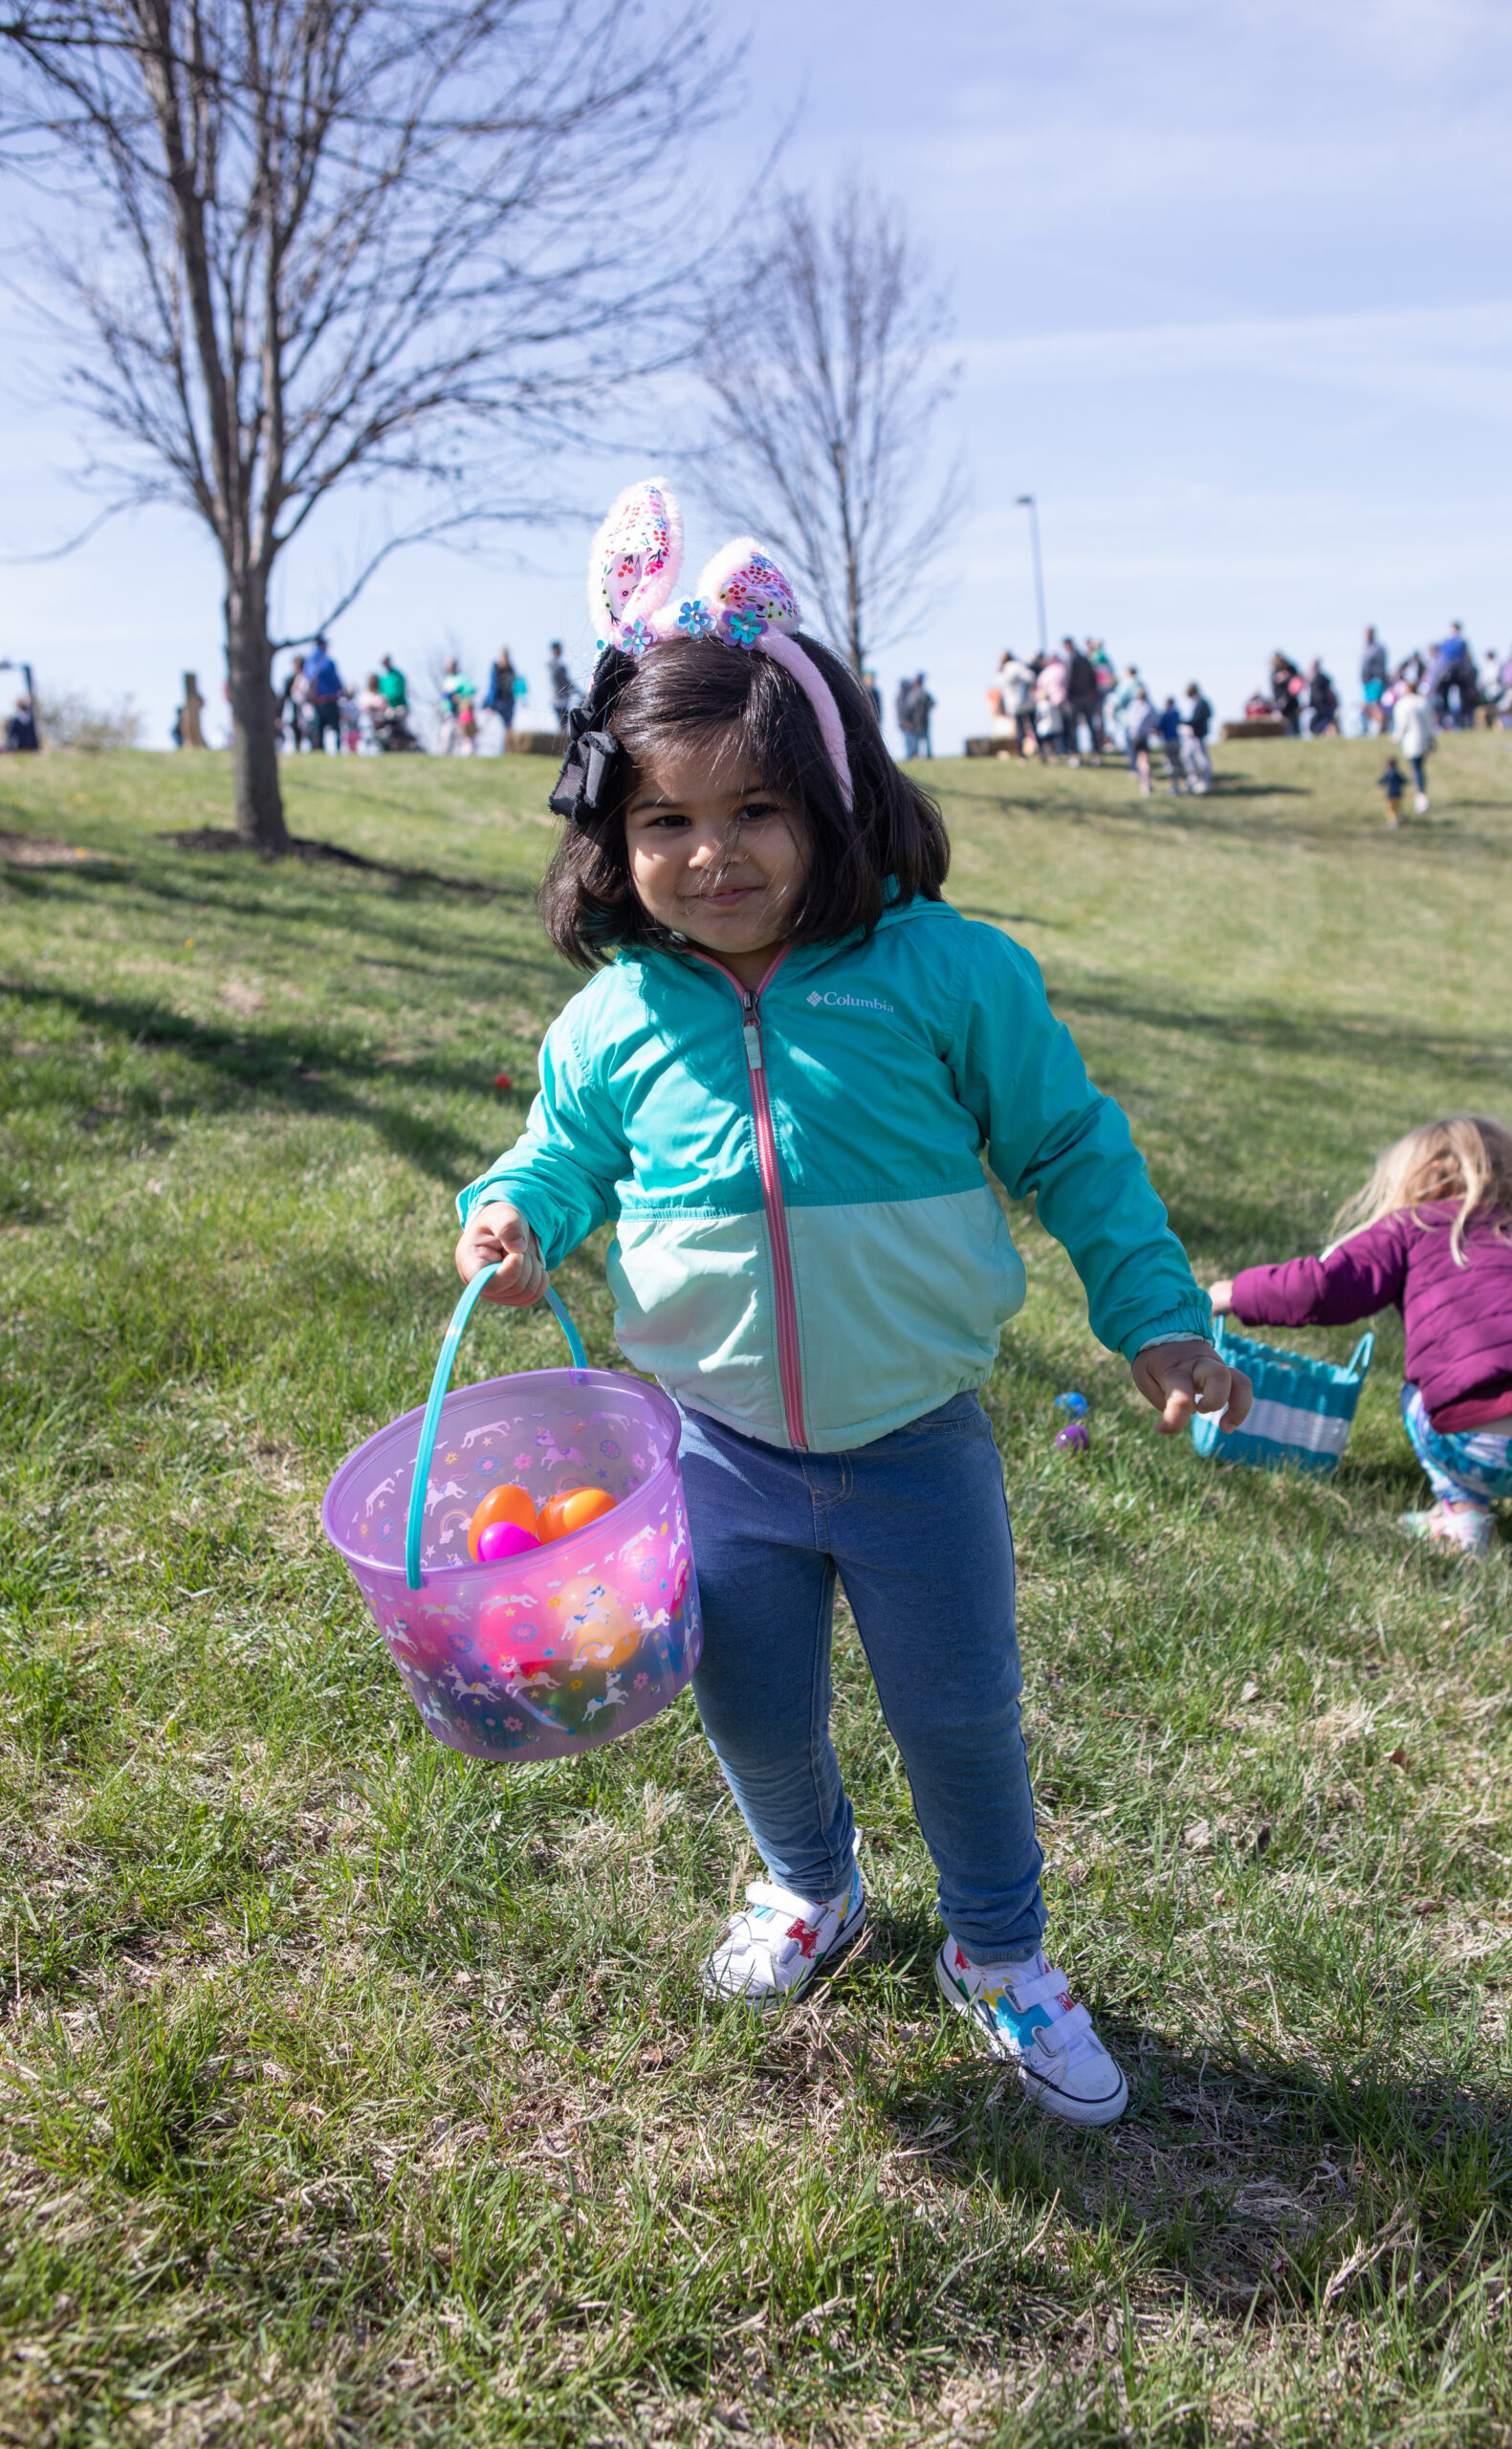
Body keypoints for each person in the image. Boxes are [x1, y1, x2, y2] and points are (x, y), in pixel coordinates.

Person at [453, 478, 1251, 2126]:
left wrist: (1155, 1315)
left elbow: (1072, 1150)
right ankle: (811, 1888)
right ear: (612, 838)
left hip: (914, 1445)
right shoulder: (614, 1020)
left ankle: (1000, 1950)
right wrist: (514, 1217)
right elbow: (559, 1156)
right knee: (752, 1710)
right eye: (664, 822)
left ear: (836, 802)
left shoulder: (948, 974)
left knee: (959, 1717)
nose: (708, 853)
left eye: (754, 811)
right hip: (714, 1449)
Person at [1210, 1117, 1512, 1560]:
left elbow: (1323, 1289)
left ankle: (1461, 1516)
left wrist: (1233, 1293)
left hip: (1485, 1451)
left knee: (1419, 1392)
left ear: (1412, 1179)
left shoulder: (1409, 1227)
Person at [1391, 676, 1435, 812]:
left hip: (1411, 741)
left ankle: (1420, 795)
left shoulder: (1404, 704)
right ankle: (1421, 793)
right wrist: (1430, 739)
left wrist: (1396, 736)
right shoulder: (1423, 702)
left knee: (1416, 768)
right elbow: (1430, 722)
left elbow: (1401, 724)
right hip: (1423, 739)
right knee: (1419, 767)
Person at [303, 634, 343, 751]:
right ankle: (337, 749)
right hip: (329, 700)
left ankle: (319, 750)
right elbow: (336, 681)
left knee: (318, 729)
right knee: (335, 728)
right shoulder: (328, 662)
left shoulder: (309, 662)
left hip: (317, 701)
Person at [997, 650, 1035, 756]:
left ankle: (1021, 755)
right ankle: (1041, 753)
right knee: (1032, 727)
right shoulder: (1016, 666)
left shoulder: (1001, 671)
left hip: (1013, 704)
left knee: (1019, 729)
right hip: (1026, 702)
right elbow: (1030, 677)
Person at [1125, 685, 1158, 793]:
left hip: (1134, 735)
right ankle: (1146, 783)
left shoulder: (1133, 705)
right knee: (1144, 759)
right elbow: (1155, 721)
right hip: (1143, 735)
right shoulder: (1150, 707)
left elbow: (1129, 720)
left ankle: (1144, 784)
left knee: (1141, 760)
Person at [484, 649, 525, 736]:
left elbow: (515, 686)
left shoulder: (511, 669)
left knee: (508, 725)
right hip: (497, 701)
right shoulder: (496, 669)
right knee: (491, 725)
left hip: (508, 701)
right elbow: (492, 688)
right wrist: (489, 704)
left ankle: (508, 743)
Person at [1180, 682, 1213, 793]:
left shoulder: (1200, 703)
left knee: (1202, 759)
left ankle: (1206, 782)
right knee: (1188, 755)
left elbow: (1197, 719)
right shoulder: (1200, 702)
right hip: (1197, 734)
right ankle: (1197, 779)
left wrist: (1184, 722)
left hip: (1198, 734)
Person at [1359, 629, 1389, 732]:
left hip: (1375, 681)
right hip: (1366, 682)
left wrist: (1378, 679)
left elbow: (1381, 666)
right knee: (1367, 707)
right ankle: (1381, 725)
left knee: (1375, 705)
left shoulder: (1378, 649)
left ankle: (1383, 726)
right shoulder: (1367, 648)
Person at [1155, 695, 1184, 792]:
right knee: (1178, 762)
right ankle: (1185, 783)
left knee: (1170, 764)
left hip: (1168, 741)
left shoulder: (1165, 715)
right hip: (1176, 740)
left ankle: (1175, 786)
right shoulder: (1177, 713)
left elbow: (1160, 728)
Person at [1305, 659, 1340, 737]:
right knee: (1315, 724)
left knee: (1325, 722)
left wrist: (1334, 704)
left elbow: (1329, 692)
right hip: (1316, 707)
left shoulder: (1322, 678)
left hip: (1325, 706)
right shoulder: (1312, 678)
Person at [548, 642, 576, 728]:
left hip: (564, 698)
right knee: (563, 725)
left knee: (564, 725)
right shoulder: (553, 665)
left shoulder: (559, 665)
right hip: (558, 698)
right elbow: (563, 681)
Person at [894, 675, 922, 761]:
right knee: (909, 740)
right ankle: (910, 756)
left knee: (910, 739)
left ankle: (912, 756)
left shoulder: (901, 695)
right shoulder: (903, 696)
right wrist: (906, 721)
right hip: (906, 722)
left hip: (904, 722)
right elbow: (903, 710)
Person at [1376, 754, 1406, 828]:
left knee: (1390, 809)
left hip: (1391, 794)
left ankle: (1393, 822)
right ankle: (1402, 816)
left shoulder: (1388, 774)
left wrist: (1379, 783)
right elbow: (1404, 781)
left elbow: (1382, 781)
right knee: (1397, 807)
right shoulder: (1397, 773)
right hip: (1398, 794)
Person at [912, 673, 935, 760]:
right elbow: (932, 703)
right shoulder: (924, 693)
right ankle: (926, 754)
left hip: (918, 720)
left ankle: (918, 755)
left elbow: (909, 707)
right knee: (923, 738)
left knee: (918, 739)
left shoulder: (915, 694)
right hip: (922, 720)